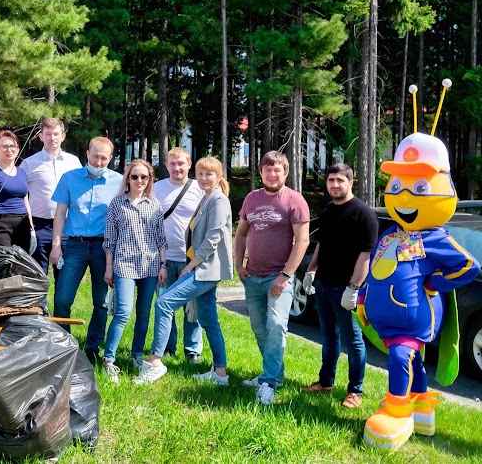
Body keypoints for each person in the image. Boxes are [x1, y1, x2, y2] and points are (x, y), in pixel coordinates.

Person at [135, 157, 233, 385]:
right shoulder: (206, 199)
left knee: (164, 302)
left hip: (206, 269)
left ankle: (155, 362)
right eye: (200, 174)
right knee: (209, 319)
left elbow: (213, 239)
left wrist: (190, 265)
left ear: (219, 176)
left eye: (209, 174)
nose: (203, 178)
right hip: (202, 268)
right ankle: (220, 373)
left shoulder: (219, 200)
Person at [235, 151, 310, 404]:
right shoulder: (251, 199)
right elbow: (242, 235)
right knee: (260, 329)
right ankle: (274, 376)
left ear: (285, 172)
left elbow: (302, 240)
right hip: (252, 276)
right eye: (267, 169)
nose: (272, 174)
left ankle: (268, 383)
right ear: (261, 172)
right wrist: (238, 264)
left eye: (277, 170)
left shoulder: (294, 200)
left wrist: (286, 275)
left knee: (277, 325)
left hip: (279, 277)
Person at [301, 164, 378, 409]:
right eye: (331, 180)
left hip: (345, 290)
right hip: (324, 286)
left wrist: (354, 287)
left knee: (353, 342)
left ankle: (355, 391)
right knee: (328, 338)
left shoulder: (363, 213)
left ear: (351, 182)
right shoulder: (328, 212)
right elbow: (321, 245)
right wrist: (311, 270)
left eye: (340, 180)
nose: (335, 184)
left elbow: (366, 255)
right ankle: (325, 382)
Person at [49, 136, 123, 364]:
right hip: (74, 245)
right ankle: (63, 346)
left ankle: (92, 347)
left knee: (100, 302)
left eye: (104, 158)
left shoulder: (119, 182)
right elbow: (60, 213)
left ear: (110, 159)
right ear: (87, 154)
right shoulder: (69, 179)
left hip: (103, 248)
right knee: (62, 298)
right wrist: (56, 245)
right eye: (95, 157)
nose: (99, 162)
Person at [101, 159, 168, 384]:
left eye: (144, 177)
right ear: (127, 178)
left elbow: (161, 239)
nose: (139, 180)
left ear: (149, 180)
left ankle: (136, 354)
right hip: (124, 265)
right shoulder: (117, 204)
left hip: (150, 266)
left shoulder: (155, 205)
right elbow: (110, 239)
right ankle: (109, 359)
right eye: (135, 176)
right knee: (123, 312)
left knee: (144, 314)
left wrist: (163, 264)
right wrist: (109, 268)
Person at [153, 147, 205, 363]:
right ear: (166, 165)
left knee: (192, 307)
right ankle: (167, 347)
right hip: (163, 259)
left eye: (181, 163)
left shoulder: (199, 189)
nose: (177, 168)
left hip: (190, 260)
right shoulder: (156, 188)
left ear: (189, 164)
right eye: (172, 163)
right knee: (165, 304)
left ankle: (192, 351)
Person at [18, 118, 81, 278]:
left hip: (67, 227)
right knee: (37, 275)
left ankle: (61, 304)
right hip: (40, 226)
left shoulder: (73, 162)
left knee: (65, 276)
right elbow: (18, 190)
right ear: (41, 136)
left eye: (55, 134)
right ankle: (40, 304)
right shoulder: (29, 163)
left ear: (63, 136)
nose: (52, 138)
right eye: (48, 134)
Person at [0, 130, 36, 254]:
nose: (9, 150)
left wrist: (32, 230)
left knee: (21, 265)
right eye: (4, 146)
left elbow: (26, 203)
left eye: (12, 146)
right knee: (5, 265)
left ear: (18, 148)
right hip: (0, 225)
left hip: (22, 224)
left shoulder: (22, 172)